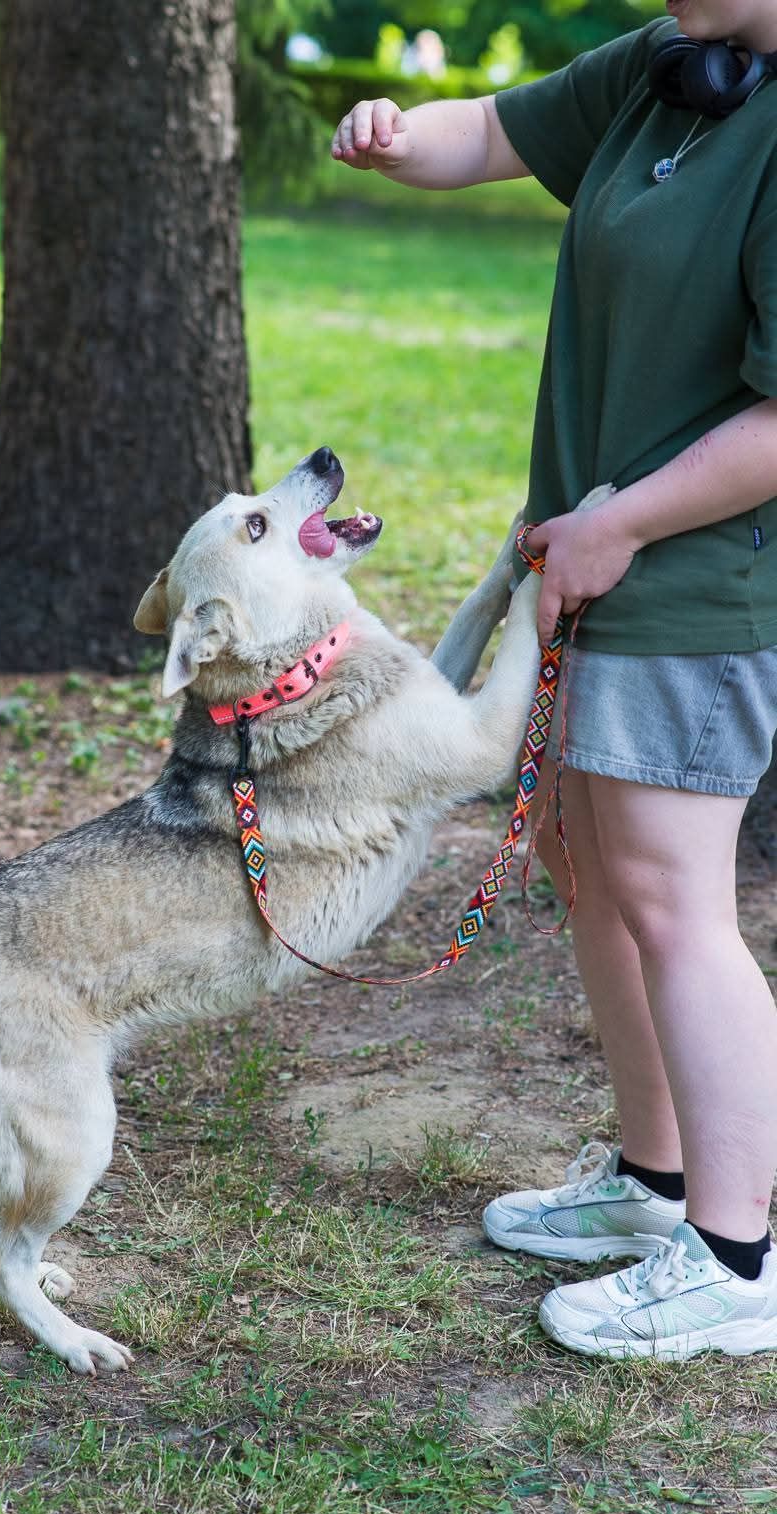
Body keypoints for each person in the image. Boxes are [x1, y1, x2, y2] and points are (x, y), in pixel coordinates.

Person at [333, 5, 777, 1359]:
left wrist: (622, 524)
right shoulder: (664, 66)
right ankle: (653, 1185)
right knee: (589, 872)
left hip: (696, 589)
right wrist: (396, 135)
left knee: (674, 901)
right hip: (593, 567)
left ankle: (737, 1258)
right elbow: (488, 133)